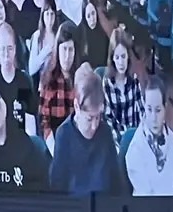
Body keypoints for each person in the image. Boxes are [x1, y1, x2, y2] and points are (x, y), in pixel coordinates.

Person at [49, 66, 131, 195]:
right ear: (76, 107)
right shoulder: (64, 135)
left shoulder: (105, 132)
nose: (94, 126)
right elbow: (57, 189)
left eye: (98, 117)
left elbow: (117, 185)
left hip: (103, 204)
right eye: (89, 118)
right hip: (75, 205)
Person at [126, 82, 173, 195]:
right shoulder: (135, 150)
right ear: (144, 106)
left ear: (165, 107)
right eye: (149, 109)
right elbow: (147, 196)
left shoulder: (170, 137)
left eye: (158, 110)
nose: (153, 118)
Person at [38, 24, 81, 143]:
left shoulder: (81, 78)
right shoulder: (48, 78)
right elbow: (44, 121)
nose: (67, 56)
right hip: (55, 140)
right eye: (64, 49)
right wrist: (53, 146)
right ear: (58, 50)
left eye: (70, 50)